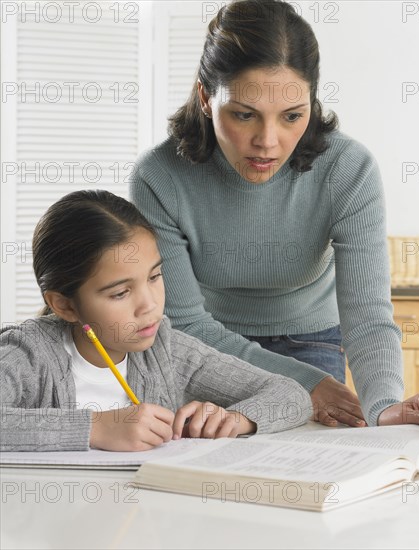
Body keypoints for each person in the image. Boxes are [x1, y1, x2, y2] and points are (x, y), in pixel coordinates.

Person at [130, 0, 419, 447]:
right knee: (211, 464)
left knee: (311, 465)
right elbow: (183, 323)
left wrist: (383, 407)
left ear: (312, 103)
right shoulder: (159, 176)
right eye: (244, 114)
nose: (268, 141)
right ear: (205, 97)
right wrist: (308, 385)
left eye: (292, 116)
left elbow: (367, 313)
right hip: (205, 348)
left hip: (311, 340)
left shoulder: (348, 170)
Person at [0, 190, 312, 452]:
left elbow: (291, 395)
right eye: (121, 293)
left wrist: (237, 418)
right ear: (65, 305)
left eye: (154, 276)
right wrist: (96, 428)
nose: (149, 305)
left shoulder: (166, 351)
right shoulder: (28, 353)